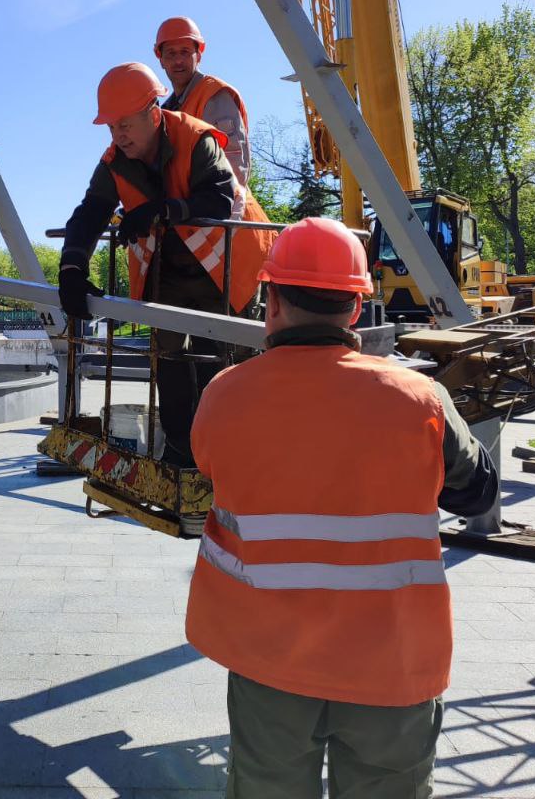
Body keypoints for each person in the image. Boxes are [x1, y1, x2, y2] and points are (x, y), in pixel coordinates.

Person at [185, 217, 500, 798]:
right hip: (394, 665)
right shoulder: (418, 398)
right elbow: (477, 489)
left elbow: (211, 468)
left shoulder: (225, 393)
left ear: (271, 300)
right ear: (356, 309)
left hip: (269, 662)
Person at [59, 62, 272, 467]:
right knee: (169, 360)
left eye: (125, 124)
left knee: (222, 360)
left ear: (153, 114)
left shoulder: (195, 139)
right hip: (173, 271)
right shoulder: (114, 162)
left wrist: (162, 210)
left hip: (228, 266)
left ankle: (229, 458)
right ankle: (180, 452)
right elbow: (90, 213)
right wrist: (71, 270)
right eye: (111, 127)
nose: (118, 135)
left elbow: (220, 200)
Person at [155, 17, 251, 217]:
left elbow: (233, 167)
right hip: (189, 221)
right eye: (171, 54)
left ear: (199, 55)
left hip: (222, 225)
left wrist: (224, 222)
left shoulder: (214, 95)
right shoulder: (167, 112)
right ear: (161, 59)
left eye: (185, 52)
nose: (178, 60)